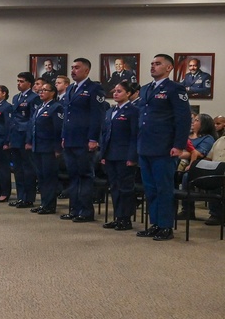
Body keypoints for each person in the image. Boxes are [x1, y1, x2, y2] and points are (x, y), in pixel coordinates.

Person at [136, 53, 191, 241]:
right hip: (145, 147)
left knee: (163, 188)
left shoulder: (175, 88)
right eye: (151, 63)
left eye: (157, 64)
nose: (153, 66)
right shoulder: (144, 89)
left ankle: (166, 226)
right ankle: (156, 224)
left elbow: (183, 119)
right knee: (150, 189)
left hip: (165, 147)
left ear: (169, 68)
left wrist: (179, 145)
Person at [61, 58, 106, 222]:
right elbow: (67, 116)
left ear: (86, 70)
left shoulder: (94, 89)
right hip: (70, 140)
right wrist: (64, 136)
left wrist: (93, 138)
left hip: (85, 140)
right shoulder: (71, 88)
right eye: (72, 68)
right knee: (73, 176)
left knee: (85, 176)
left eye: (77, 68)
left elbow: (97, 116)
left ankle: (86, 211)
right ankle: (74, 208)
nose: (73, 70)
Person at [99, 81, 139, 230]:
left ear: (128, 94)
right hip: (110, 154)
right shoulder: (110, 111)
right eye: (114, 91)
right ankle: (118, 217)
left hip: (124, 155)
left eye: (119, 91)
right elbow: (105, 134)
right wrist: (103, 154)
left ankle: (125, 218)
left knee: (125, 188)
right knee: (114, 187)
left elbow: (135, 136)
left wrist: (132, 157)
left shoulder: (133, 111)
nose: (115, 93)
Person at [28, 80, 64, 215]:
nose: (41, 92)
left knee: (49, 178)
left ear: (53, 93)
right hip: (38, 147)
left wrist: (57, 149)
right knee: (41, 177)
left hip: (49, 148)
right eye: (40, 90)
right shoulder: (40, 107)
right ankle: (44, 203)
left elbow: (58, 129)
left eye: (45, 90)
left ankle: (49, 205)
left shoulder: (56, 107)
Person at [9, 72, 41, 208]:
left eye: (21, 81)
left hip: (25, 137)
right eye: (18, 81)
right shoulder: (16, 98)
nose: (19, 83)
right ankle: (21, 196)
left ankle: (29, 198)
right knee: (18, 169)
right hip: (16, 136)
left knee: (28, 169)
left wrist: (29, 140)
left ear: (29, 83)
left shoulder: (34, 98)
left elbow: (32, 121)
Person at [176, 113, 217, 220]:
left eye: (197, 120)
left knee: (186, 176)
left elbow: (198, 154)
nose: (193, 122)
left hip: (199, 167)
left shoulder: (207, 138)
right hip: (180, 163)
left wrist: (184, 154)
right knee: (170, 174)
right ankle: (171, 208)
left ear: (204, 124)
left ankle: (187, 210)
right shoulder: (187, 136)